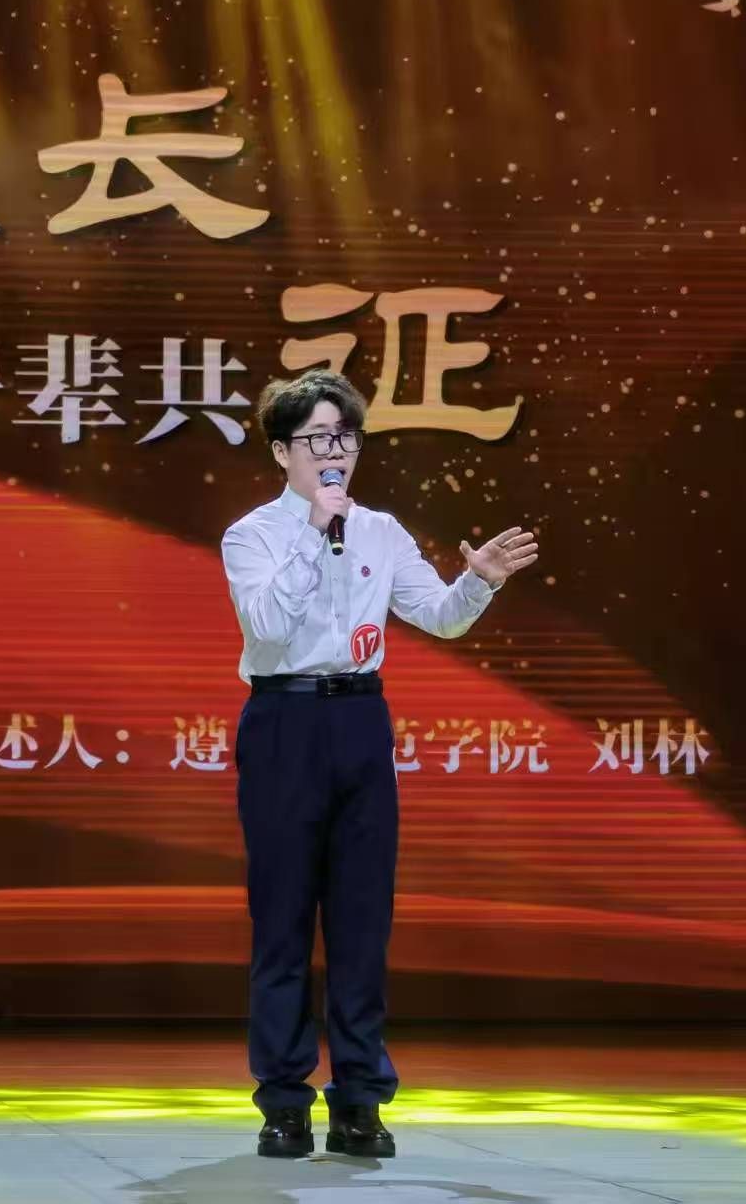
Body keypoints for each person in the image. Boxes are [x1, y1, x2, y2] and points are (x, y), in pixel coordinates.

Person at [220, 369, 538, 1159]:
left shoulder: (383, 531)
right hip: (284, 719)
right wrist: (313, 531)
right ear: (281, 451)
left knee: (362, 921)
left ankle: (360, 1099)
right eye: (317, 440)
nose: (334, 454)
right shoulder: (251, 535)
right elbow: (267, 623)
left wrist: (478, 582)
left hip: (360, 718)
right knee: (283, 920)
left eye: (345, 438)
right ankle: (284, 1102)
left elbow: (439, 615)